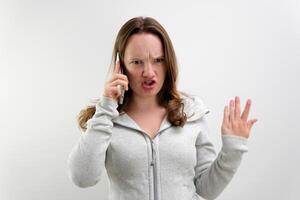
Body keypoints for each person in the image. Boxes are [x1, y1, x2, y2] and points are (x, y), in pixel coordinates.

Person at [67, 16, 258, 200]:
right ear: (121, 66)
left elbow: (207, 189)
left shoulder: (190, 112)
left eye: (158, 60)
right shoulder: (106, 119)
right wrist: (106, 108)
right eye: (136, 62)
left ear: (168, 62)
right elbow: (83, 178)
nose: (149, 72)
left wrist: (232, 150)